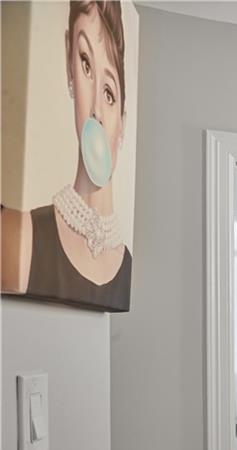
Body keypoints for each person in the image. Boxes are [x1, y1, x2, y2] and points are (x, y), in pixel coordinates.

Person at [1, 0, 132, 312]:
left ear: (122, 123)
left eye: (109, 93)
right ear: (69, 67)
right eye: (86, 64)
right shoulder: (19, 233)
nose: (96, 110)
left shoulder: (126, 265)